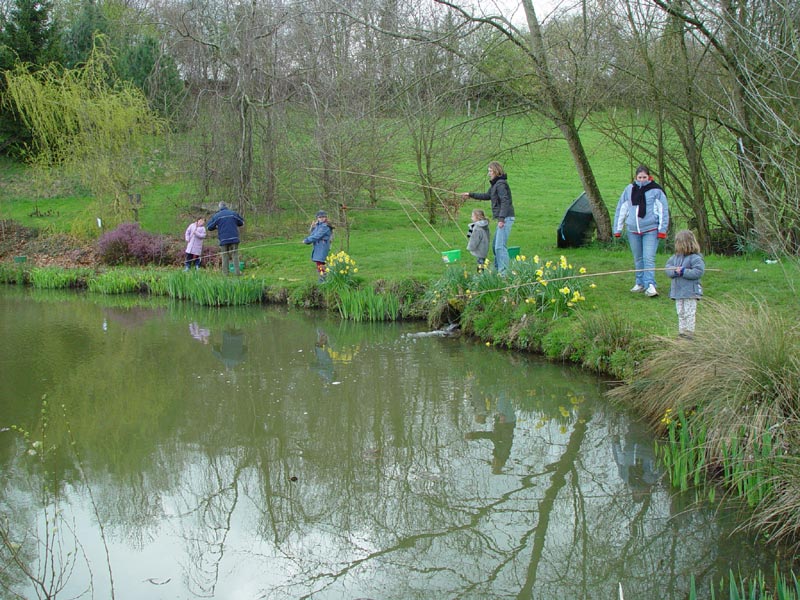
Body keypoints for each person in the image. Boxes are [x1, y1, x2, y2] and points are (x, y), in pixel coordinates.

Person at [613, 165, 670, 297]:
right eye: (640, 177)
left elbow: (663, 210)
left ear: (649, 177)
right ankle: (640, 283)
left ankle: (650, 284)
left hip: (650, 229)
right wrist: (618, 228)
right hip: (633, 230)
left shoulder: (656, 190)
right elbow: (622, 208)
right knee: (638, 258)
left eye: (644, 177)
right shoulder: (629, 189)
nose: (642, 180)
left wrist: (662, 229)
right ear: (636, 177)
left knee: (648, 258)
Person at [462, 161, 515, 274]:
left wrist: (501, 219)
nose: (489, 173)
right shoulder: (495, 184)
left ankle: (503, 273)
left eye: (490, 171)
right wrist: (470, 195)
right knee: (495, 245)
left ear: (496, 171)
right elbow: (487, 196)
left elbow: (505, 201)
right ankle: (497, 271)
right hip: (503, 218)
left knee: (500, 247)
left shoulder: (500, 184)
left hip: (506, 218)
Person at [665, 229, 705, 338]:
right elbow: (668, 269)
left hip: (690, 292)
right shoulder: (675, 258)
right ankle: (682, 333)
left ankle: (689, 333)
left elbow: (698, 272)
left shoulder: (696, 258)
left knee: (689, 313)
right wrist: (674, 271)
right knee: (681, 313)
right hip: (678, 292)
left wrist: (684, 271)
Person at [206, 202, 245, 275]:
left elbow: (209, 227)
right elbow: (242, 222)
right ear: (226, 206)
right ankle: (237, 272)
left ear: (219, 207)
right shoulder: (233, 213)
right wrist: (234, 223)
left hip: (223, 239)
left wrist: (216, 226)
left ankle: (225, 273)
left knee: (224, 256)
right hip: (234, 237)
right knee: (235, 255)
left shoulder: (217, 216)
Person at [303, 210, 334, 282]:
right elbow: (313, 234)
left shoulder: (325, 226)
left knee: (320, 261)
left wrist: (307, 240)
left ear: (326, 217)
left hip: (323, 246)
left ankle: (323, 279)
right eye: (320, 217)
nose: (322, 218)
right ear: (317, 218)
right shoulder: (317, 225)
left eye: (323, 217)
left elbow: (317, 236)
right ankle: (323, 278)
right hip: (317, 246)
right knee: (319, 262)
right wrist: (312, 228)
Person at [466, 208, 490, 272]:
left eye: (472, 216)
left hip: (479, 249)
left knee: (480, 264)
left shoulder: (477, 228)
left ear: (477, 217)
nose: (471, 218)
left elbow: (474, 240)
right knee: (482, 262)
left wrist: (470, 247)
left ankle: (481, 275)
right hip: (484, 248)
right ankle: (482, 274)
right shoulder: (485, 226)